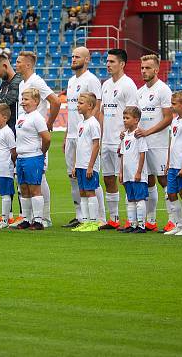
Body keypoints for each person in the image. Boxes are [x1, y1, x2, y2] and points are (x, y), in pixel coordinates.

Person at [15, 51, 61, 227]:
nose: (16, 64)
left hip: (36, 136)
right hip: (24, 134)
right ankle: (30, 217)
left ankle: (44, 217)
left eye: (19, 62)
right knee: (26, 182)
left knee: (38, 178)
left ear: (28, 64)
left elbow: (55, 101)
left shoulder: (37, 81)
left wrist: (48, 122)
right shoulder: (22, 83)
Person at [95, 48, 139, 229]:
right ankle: (113, 219)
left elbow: (134, 114)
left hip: (122, 141)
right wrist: (101, 137)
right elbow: (103, 113)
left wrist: (126, 135)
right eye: (107, 61)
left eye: (112, 61)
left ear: (122, 64)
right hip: (106, 141)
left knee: (127, 180)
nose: (108, 64)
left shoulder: (128, 85)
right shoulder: (105, 85)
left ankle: (133, 219)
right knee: (108, 179)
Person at [64, 47, 104, 228]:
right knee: (74, 176)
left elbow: (97, 106)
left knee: (91, 178)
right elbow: (71, 110)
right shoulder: (71, 80)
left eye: (77, 57)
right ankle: (80, 216)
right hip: (73, 133)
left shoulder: (92, 80)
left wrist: (91, 129)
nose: (73, 59)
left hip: (86, 135)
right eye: (72, 56)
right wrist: (67, 134)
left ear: (87, 59)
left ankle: (99, 217)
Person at [137, 54, 173, 231]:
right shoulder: (140, 92)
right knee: (148, 180)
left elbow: (168, 118)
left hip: (159, 143)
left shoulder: (163, 90)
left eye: (148, 68)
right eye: (142, 68)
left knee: (164, 180)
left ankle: (173, 220)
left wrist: (148, 132)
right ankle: (150, 221)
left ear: (156, 70)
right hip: (143, 143)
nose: (144, 71)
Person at [13, 88, 51, 230]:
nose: (23, 102)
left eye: (26, 99)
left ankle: (38, 220)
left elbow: (47, 138)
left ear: (36, 101)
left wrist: (42, 153)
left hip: (32, 157)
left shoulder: (37, 117)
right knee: (23, 189)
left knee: (35, 188)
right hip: (21, 157)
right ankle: (26, 219)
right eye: (22, 99)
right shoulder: (22, 117)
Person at [69, 93, 102, 232]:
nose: (78, 105)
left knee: (90, 192)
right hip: (80, 165)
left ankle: (94, 222)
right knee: (82, 192)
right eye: (78, 102)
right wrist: (76, 165)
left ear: (90, 106)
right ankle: (85, 221)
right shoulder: (81, 123)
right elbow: (78, 145)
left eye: (81, 103)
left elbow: (96, 145)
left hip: (89, 166)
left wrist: (90, 166)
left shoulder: (93, 123)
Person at [116, 106, 150, 233]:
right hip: (127, 173)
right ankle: (132, 224)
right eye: (124, 118)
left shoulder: (139, 135)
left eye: (127, 118)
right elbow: (123, 154)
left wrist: (139, 172)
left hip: (137, 173)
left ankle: (141, 225)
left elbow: (142, 154)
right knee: (130, 198)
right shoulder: (124, 135)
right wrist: (121, 172)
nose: (124, 120)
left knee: (139, 198)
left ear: (136, 120)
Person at [165, 91, 182, 236]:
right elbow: (172, 142)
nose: (171, 106)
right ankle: (179, 224)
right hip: (173, 164)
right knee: (171, 193)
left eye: (174, 104)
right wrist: (168, 162)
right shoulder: (175, 120)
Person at [0, 53, 22, 130]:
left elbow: (8, 102)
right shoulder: (4, 83)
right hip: (3, 129)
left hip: (14, 128)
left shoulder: (17, 81)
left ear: (5, 66)